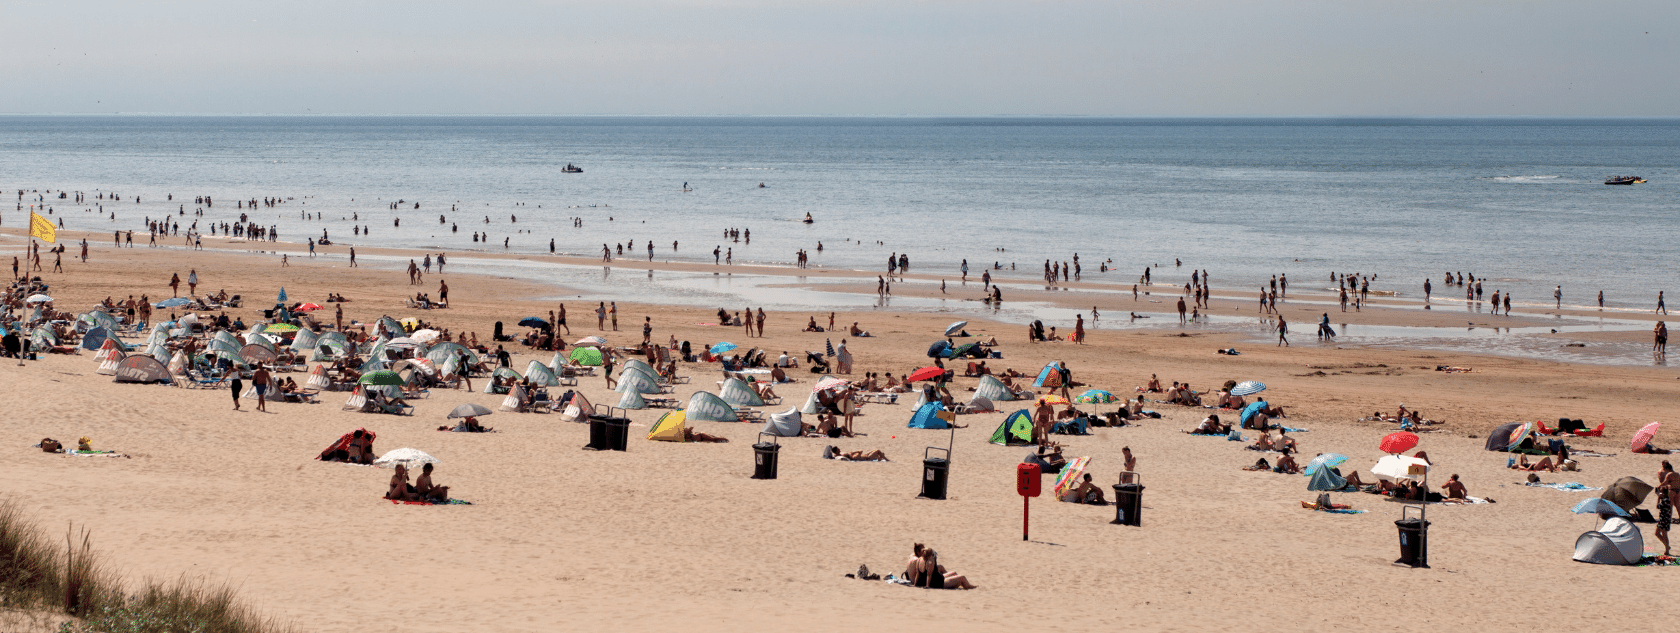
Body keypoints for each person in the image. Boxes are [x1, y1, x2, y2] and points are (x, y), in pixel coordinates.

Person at [1656, 461, 1677, 556]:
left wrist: (1658, 497)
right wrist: (1658, 497)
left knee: (1664, 534)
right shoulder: (1665, 499)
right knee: (1657, 533)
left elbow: (1659, 507)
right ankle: (1667, 546)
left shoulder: (1666, 500)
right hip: (1663, 518)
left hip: (1665, 519)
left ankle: (1667, 550)